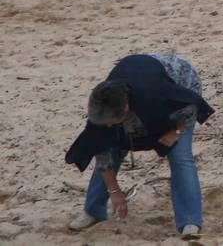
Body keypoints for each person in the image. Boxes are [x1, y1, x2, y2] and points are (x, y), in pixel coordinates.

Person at [65, 54, 213, 239]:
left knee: (180, 156)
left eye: (112, 122)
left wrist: (175, 132)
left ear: (126, 110)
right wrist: (115, 191)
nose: (109, 126)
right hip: (137, 77)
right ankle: (93, 211)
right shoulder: (101, 110)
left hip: (181, 85)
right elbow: (102, 153)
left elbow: (192, 106)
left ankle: (190, 220)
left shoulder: (158, 95)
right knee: (110, 145)